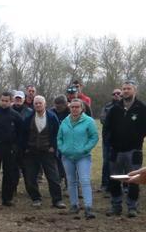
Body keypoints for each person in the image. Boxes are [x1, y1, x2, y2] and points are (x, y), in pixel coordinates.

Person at [105, 81, 146, 217]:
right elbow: (107, 127)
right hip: (116, 150)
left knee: (134, 179)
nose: (125, 91)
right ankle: (116, 205)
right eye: (124, 89)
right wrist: (109, 142)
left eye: (128, 88)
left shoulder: (142, 108)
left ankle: (132, 207)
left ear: (135, 90)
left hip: (134, 151)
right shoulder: (115, 108)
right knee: (114, 179)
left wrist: (138, 139)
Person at [57, 99, 99, 218]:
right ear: (69, 108)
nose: (74, 109)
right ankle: (74, 205)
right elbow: (59, 137)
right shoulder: (65, 122)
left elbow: (94, 137)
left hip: (83, 157)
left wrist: (85, 149)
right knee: (71, 181)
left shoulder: (89, 121)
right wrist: (62, 149)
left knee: (85, 180)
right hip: (67, 156)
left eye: (77, 107)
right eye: (72, 107)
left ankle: (88, 207)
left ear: (82, 109)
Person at [21, 96, 65, 209]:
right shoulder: (28, 118)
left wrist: (53, 147)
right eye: (36, 103)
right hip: (31, 152)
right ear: (33, 105)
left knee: (53, 177)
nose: (38, 105)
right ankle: (36, 199)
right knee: (30, 178)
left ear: (45, 104)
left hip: (47, 151)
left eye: (40, 103)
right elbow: (23, 134)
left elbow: (57, 134)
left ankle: (57, 200)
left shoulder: (52, 117)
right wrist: (25, 147)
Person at [99, 88, 123, 192]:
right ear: (112, 96)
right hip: (108, 139)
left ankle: (122, 185)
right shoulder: (107, 107)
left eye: (118, 93)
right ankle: (105, 184)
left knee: (121, 162)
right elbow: (103, 120)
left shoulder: (126, 106)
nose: (116, 95)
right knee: (106, 162)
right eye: (114, 94)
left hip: (122, 140)